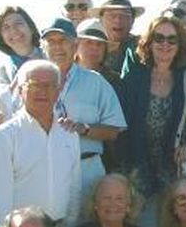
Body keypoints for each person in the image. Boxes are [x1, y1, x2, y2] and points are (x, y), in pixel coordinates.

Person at [117, 12, 186, 224]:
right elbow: (121, 126)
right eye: (159, 38)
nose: (165, 44)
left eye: (172, 39)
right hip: (137, 165)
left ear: (180, 45)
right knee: (138, 225)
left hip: (174, 167)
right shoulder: (134, 78)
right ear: (149, 43)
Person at [0, 60, 82, 227]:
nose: (42, 91)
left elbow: (74, 183)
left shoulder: (69, 134)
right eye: (34, 85)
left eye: (49, 85)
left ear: (59, 91)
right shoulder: (5, 136)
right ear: (20, 90)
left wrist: (70, 223)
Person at [40, 16, 126, 201]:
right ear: (43, 47)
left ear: (75, 45)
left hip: (87, 170)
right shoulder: (29, 82)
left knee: (90, 219)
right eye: (51, 41)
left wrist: (85, 129)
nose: (57, 47)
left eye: (63, 40)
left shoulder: (96, 82)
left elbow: (114, 131)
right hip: (43, 170)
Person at [0, 5, 42, 119]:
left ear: (31, 28)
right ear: (1, 37)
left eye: (19, 23)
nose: (13, 30)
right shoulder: (3, 70)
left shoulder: (51, 57)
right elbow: (3, 105)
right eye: (6, 27)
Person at [93, 0, 144, 83]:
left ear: (133, 20)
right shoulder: (90, 48)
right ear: (101, 19)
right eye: (112, 15)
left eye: (124, 15)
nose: (118, 20)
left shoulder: (143, 48)